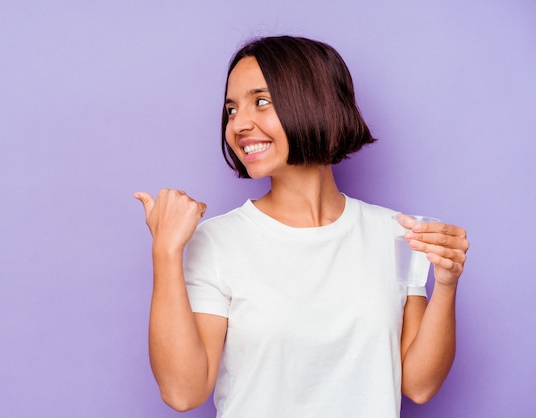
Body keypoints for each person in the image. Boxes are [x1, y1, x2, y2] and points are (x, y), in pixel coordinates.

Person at [134, 36, 469, 418]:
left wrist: (445, 283)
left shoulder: (393, 232)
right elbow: (183, 392)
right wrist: (165, 251)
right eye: (231, 109)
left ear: (313, 101)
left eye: (261, 101)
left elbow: (420, 385)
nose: (239, 124)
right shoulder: (218, 241)